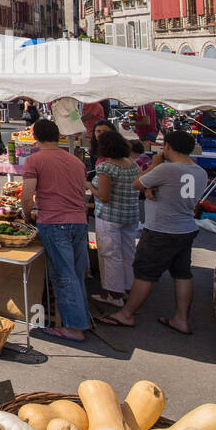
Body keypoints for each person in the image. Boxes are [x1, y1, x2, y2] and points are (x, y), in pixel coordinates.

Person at [100, 130, 208, 335]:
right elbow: (169, 190)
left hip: (161, 229)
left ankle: (126, 314)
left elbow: (137, 183)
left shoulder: (167, 169)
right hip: (186, 228)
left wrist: (155, 163)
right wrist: (152, 188)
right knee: (182, 274)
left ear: (167, 146)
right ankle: (181, 319)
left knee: (144, 274)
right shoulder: (200, 172)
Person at [20, 119, 91, 343]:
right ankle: (81, 318)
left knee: (63, 276)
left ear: (36, 137)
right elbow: (81, 192)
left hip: (54, 222)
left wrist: (26, 215)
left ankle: (74, 327)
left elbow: (26, 195)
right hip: (79, 221)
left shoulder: (35, 160)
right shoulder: (75, 161)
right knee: (77, 273)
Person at [88, 131, 140, 307]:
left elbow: (103, 197)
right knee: (128, 252)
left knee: (110, 254)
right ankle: (127, 288)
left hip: (110, 216)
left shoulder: (106, 168)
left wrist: (88, 185)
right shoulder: (132, 165)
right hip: (130, 215)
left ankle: (114, 294)